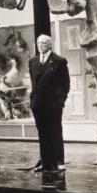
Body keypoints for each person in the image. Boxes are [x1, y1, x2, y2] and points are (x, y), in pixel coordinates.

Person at [29, 34, 70, 174]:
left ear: (50, 45)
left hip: (53, 105)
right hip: (38, 104)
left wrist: (60, 101)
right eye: (38, 43)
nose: (40, 45)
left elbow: (65, 85)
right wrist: (33, 101)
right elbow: (34, 82)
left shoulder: (59, 61)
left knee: (55, 132)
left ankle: (59, 162)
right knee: (43, 134)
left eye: (44, 43)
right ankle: (46, 162)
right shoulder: (33, 61)